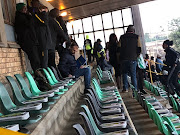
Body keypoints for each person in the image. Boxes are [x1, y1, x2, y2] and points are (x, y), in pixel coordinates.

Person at [14, 3, 40, 72]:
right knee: (34, 59)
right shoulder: (20, 17)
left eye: (26, 8)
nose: (25, 9)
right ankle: (38, 75)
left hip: (31, 40)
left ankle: (38, 74)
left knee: (36, 59)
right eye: (24, 8)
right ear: (20, 9)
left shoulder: (25, 16)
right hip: (27, 41)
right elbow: (29, 24)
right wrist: (31, 16)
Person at [119, 25, 141, 92]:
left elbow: (119, 48)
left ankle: (125, 88)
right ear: (133, 31)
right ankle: (135, 90)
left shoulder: (122, 37)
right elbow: (139, 48)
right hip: (133, 59)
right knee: (133, 75)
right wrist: (136, 56)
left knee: (124, 74)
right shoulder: (137, 37)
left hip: (124, 58)